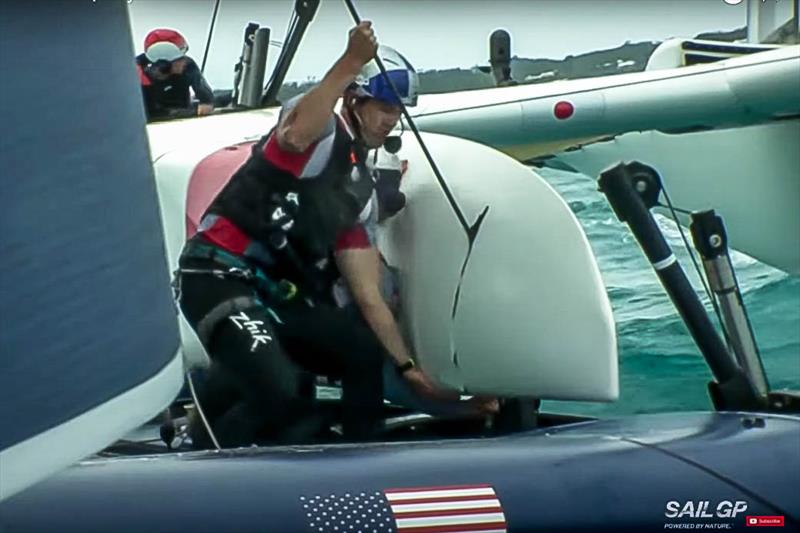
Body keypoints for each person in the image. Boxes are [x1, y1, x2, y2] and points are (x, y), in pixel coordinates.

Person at [177, 22, 480, 447]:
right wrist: (351, 61)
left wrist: (413, 370)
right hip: (215, 279)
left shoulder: (358, 190)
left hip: (273, 299)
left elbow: (368, 295)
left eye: (397, 112)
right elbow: (294, 133)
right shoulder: (319, 132)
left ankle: (362, 455)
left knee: (359, 349)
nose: (391, 121)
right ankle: (203, 454)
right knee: (285, 398)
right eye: (384, 108)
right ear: (354, 99)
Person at [135, 28, 215, 120]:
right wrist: (194, 111)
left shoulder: (188, 66)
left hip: (183, 110)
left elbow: (207, 99)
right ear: (163, 64)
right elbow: (150, 114)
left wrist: (206, 103)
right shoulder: (137, 75)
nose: (184, 62)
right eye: (179, 59)